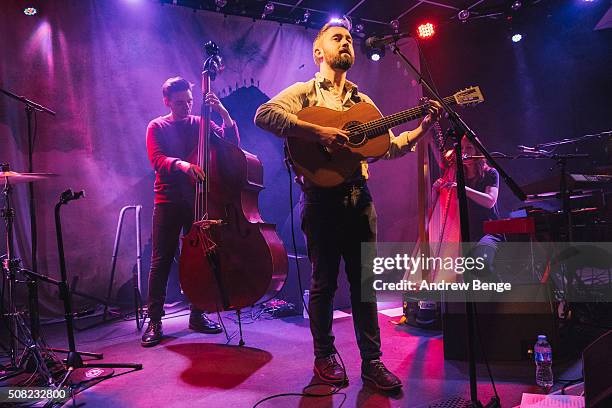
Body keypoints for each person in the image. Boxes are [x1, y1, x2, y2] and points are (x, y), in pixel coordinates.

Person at [254, 20, 441, 391]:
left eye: (349, 40)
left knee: (364, 286)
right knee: (323, 283)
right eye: (337, 38)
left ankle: (372, 362)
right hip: (321, 201)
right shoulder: (304, 92)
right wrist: (317, 131)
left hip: (360, 200)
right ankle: (324, 357)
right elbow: (265, 116)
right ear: (318, 52)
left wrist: (423, 127)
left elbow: (387, 147)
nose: (346, 43)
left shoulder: (364, 104)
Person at [142, 76, 240, 347]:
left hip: (198, 199)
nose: (186, 107)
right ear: (167, 102)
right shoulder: (157, 126)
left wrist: (224, 113)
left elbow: (231, 145)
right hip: (168, 200)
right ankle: (155, 320)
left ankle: (198, 314)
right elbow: (158, 160)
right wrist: (184, 166)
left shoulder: (201, 123)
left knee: (200, 258)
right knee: (161, 260)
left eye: (189, 101)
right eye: (180, 103)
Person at [435, 136, 502, 281]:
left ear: (477, 151)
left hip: (488, 232)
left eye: (469, 148)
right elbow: (448, 204)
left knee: (479, 262)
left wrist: (463, 188)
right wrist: (438, 188)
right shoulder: (458, 175)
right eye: (462, 148)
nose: (464, 152)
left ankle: (501, 289)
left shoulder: (490, 173)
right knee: (461, 270)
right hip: (466, 232)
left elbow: (490, 201)